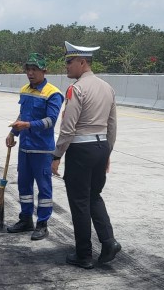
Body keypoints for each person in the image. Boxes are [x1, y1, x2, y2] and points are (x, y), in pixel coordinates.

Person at [51, 42, 121, 269]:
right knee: (94, 196)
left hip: (81, 150)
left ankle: (84, 254)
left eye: (69, 62)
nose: (66, 66)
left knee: (79, 202)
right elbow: (112, 125)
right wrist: (108, 151)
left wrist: (57, 155)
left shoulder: (77, 89)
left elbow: (68, 128)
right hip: (101, 148)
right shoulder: (107, 88)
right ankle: (108, 242)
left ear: (82, 62)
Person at [6, 53, 64, 240]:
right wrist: (13, 133)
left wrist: (28, 125)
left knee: (44, 189)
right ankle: (25, 219)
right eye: (28, 70)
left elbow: (51, 121)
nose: (30, 73)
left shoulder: (53, 93)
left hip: (42, 150)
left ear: (44, 71)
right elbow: (22, 114)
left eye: (34, 70)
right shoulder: (24, 90)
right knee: (24, 186)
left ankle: (42, 224)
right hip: (25, 148)